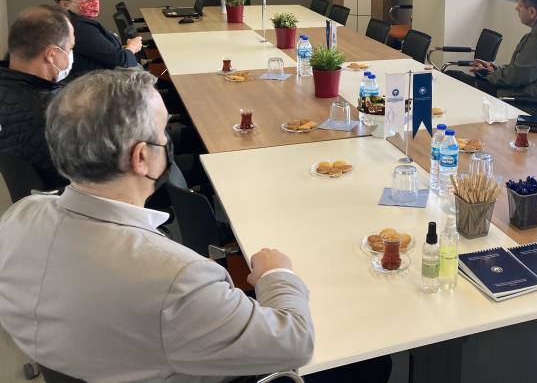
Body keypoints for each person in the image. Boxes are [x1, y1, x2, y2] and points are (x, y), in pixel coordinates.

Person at [0, 69, 315, 382]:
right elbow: (296, 344)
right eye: (163, 132)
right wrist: (277, 275)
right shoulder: (176, 280)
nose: (167, 140)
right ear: (141, 158)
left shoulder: (21, 214)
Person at [0, 5, 73, 190]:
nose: (71, 55)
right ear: (52, 55)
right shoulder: (53, 113)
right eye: (70, 48)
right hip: (66, 200)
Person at [52, 0, 141, 79]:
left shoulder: (74, 21)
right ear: (65, 5)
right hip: (98, 83)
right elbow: (122, 62)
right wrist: (132, 48)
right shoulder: (80, 27)